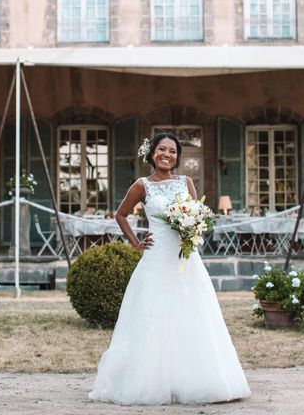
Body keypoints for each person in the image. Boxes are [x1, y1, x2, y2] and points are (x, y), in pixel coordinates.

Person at [89, 133, 251, 405]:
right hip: (155, 258)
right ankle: (148, 381)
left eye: (173, 151)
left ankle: (199, 380)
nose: (167, 154)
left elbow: (197, 214)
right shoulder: (142, 185)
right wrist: (135, 243)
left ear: (177, 157)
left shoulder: (186, 182)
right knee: (152, 316)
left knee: (192, 315)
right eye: (162, 149)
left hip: (185, 260)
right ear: (152, 154)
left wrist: (192, 230)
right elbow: (121, 214)